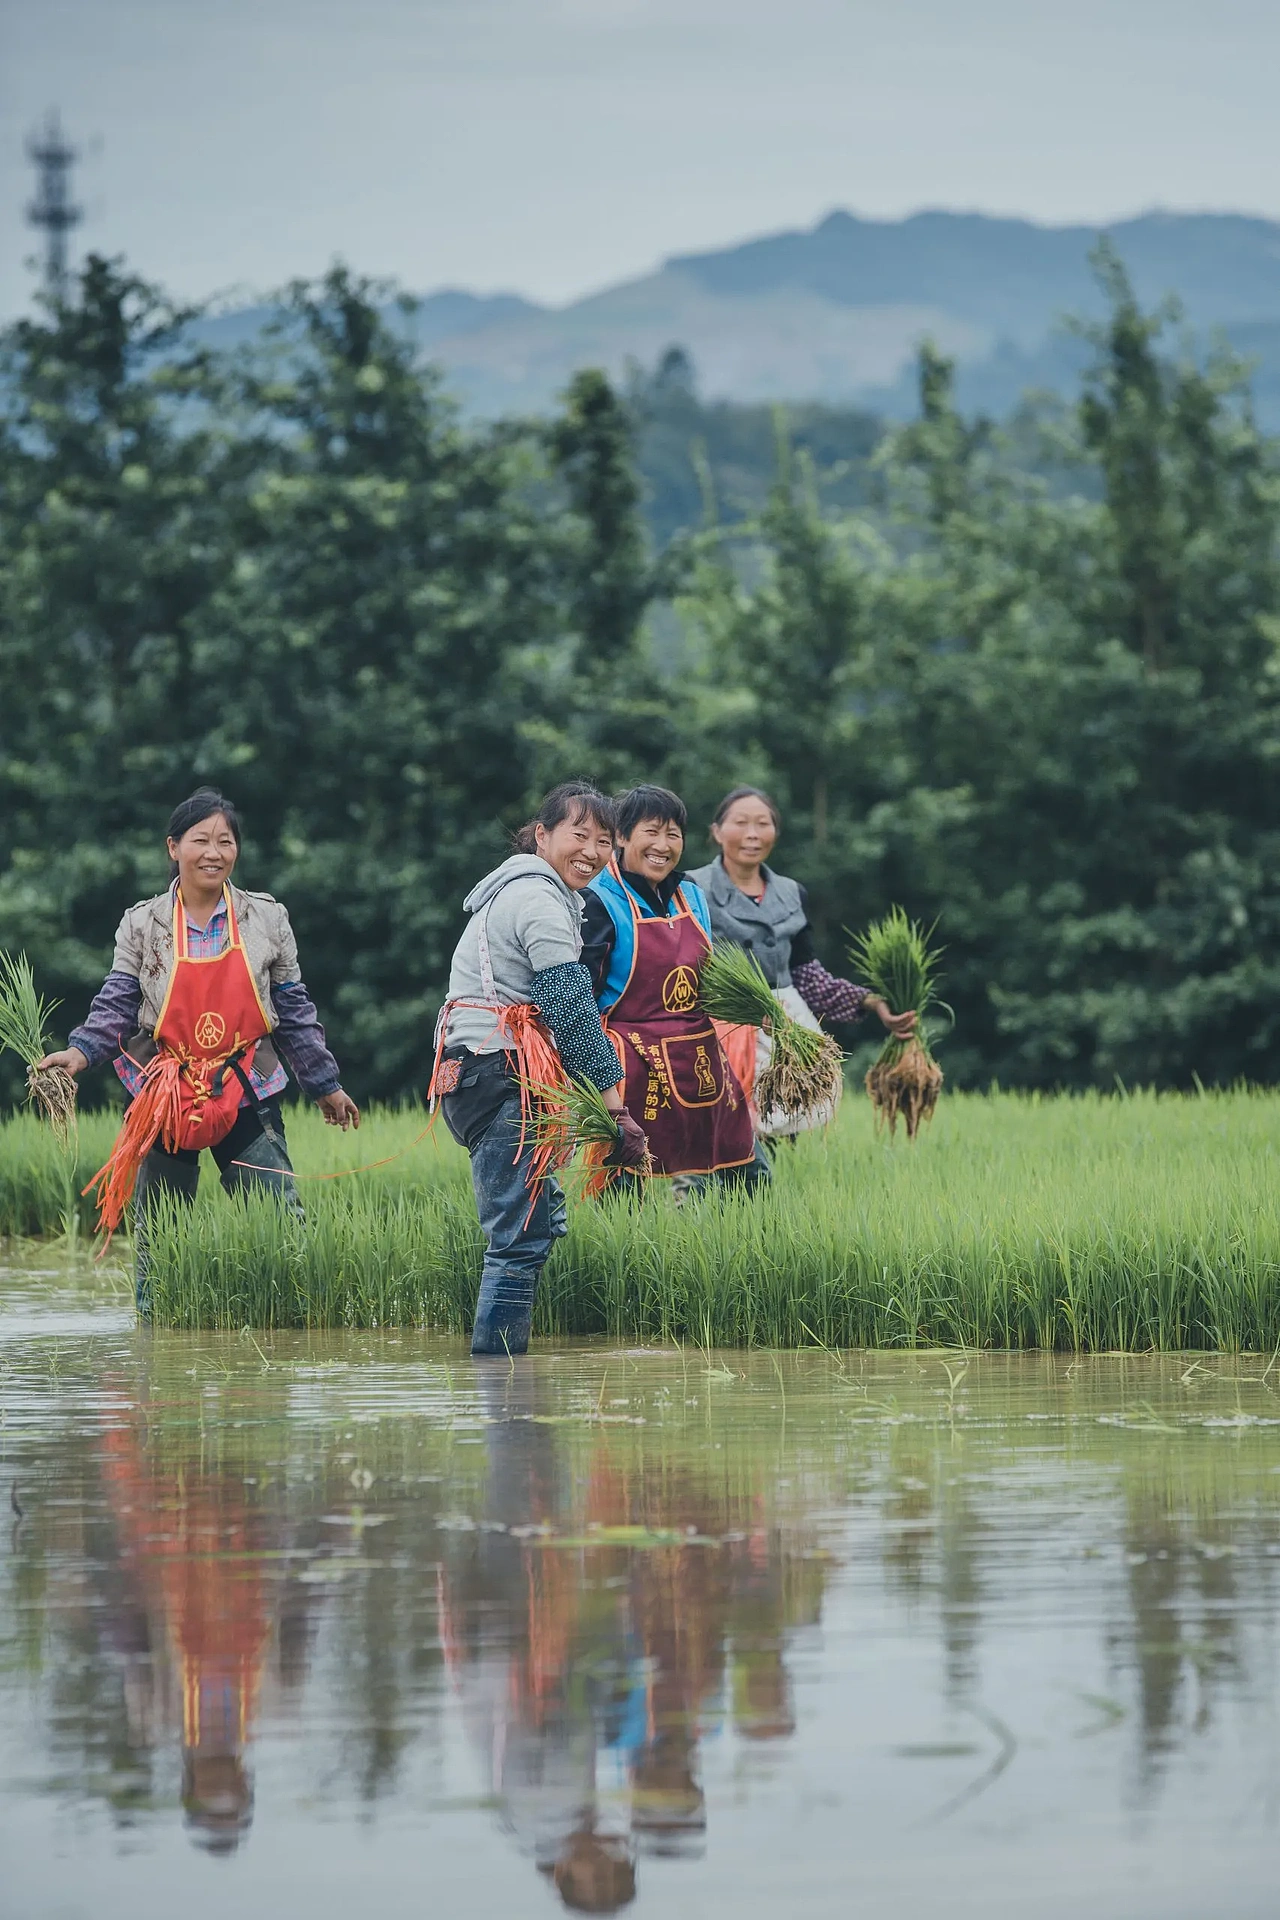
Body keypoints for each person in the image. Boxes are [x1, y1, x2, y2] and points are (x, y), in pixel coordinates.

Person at [38, 787, 358, 1302]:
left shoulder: (267, 920)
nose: (214, 852)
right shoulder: (143, 924)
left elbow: (294, 1012)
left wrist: (325, 1084)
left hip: (244, 1083)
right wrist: (78, 1053)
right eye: (201, 840)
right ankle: (157, 1337)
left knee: (280, 1224)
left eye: (225, 841)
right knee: (160, 1238)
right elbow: (117, 1005)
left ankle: (296, 1321)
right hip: (165, 1091)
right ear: (173, 848)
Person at [432, 781, 649, 1358]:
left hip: (478, 1074)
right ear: (541, 835)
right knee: (519, 1237)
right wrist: (614, 1108)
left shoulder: (528, 892)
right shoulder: (537, 897)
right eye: (579, 835)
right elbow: (572, 1008)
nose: (593, 851)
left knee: (538, 1219)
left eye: (604, 841)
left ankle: (507, 1384)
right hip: (497, 1073)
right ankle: (501, 1388)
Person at [685, 785, 916, 1135]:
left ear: (775, 832)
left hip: (786, 1012)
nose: (752, 834)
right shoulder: (690, 888)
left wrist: (870, 1001)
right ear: (716, 832)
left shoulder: (791, 893)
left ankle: (769, 1179)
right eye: (741, 823)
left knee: (805, 1090)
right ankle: (711, 1182)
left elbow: (806, 973)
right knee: (728, 1110)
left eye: (763, 823)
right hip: (724, 1020)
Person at [580, 785, 760, 1190]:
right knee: (625, 1181)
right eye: (652, 831)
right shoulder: (598, 900)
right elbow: (583, 999)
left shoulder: (691, 896)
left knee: (746, 1168)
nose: (663, 845)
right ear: (622, 837)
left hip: (700, 1054)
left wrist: (751, 1008)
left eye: (673, 834)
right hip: (631, 1062)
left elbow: (709, 980)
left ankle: (732, 1246)